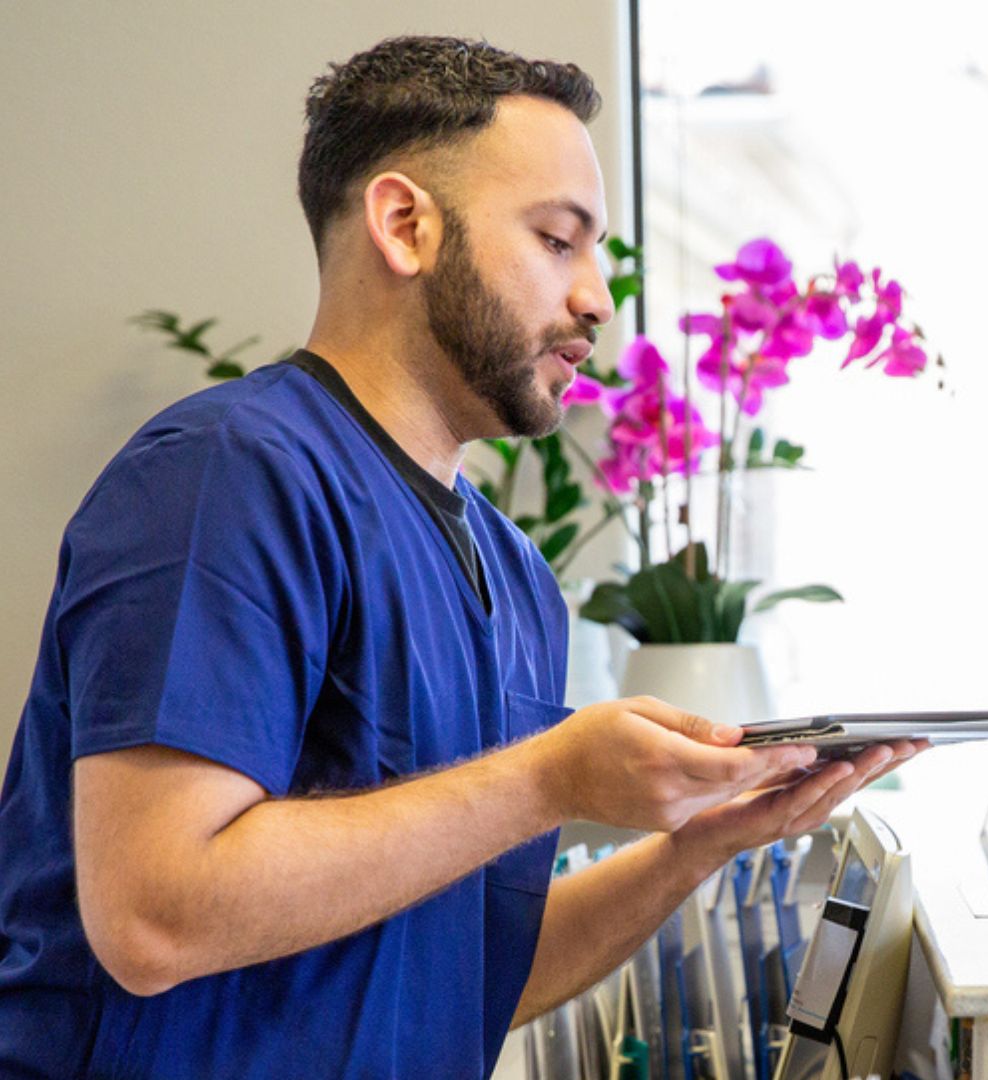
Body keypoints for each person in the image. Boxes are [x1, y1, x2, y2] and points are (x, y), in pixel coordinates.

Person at [0, 36, 917, 1077]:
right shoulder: (227, 476)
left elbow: (470, 971)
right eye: (556, 241)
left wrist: (703, 841)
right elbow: (155, 915)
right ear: (404, 226)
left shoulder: (517, 582)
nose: (597, 303)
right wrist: (549, 780)